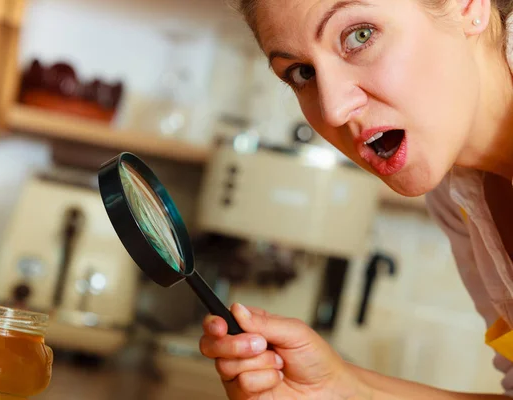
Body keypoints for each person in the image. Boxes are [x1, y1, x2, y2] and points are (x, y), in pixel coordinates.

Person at [198, 0, 513, 398]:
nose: (333, 109)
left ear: (469, 6)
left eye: (359, 36)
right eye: (303, 73)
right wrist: (338, 388)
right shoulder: (457, 199)